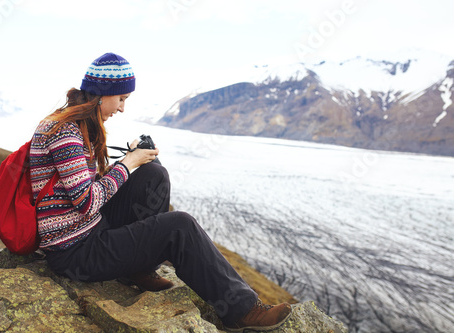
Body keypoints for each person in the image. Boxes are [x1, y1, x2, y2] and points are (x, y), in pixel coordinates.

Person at [29, 52, 292, 331]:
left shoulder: (75, 124)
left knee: (153, 174)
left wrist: (131, 162)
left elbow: (81, 187)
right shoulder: (65, 132)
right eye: (121, 99)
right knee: (180, 225)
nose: (121, 108)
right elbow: (86, 201)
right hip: (75, 252)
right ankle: (242, 312)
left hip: (89, 231)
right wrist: (128, 164)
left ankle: (137, 268)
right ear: (101, 94)